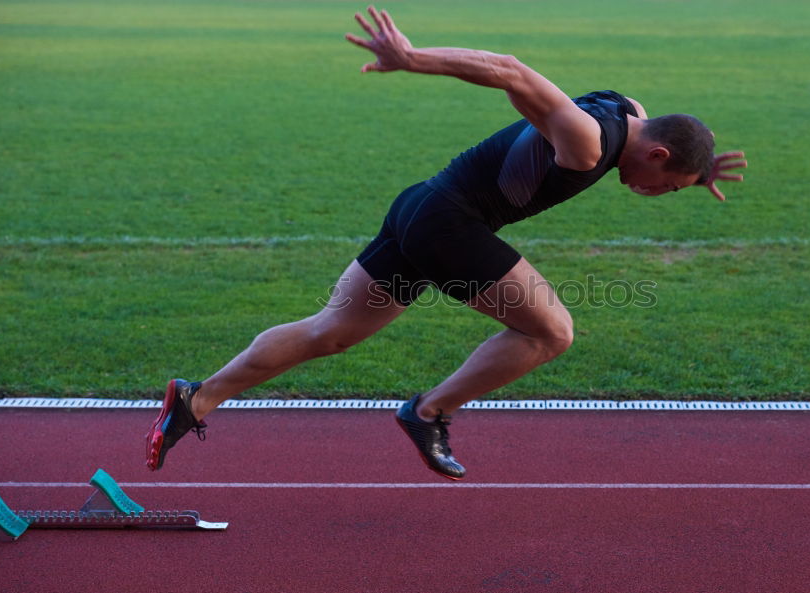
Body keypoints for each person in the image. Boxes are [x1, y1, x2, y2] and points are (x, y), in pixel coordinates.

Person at [145, 6, 746, 479]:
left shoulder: (630, 110)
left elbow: (662, 141)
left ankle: (197, 399)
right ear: (658, 154)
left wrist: (698, 168)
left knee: (331, 331)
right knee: (551, 332)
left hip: (419, 205)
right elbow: (510, 69)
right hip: (451, 224)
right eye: (667, 186)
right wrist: (413, 59)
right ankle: (427, 410)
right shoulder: (587, 140)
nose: (657, 193)